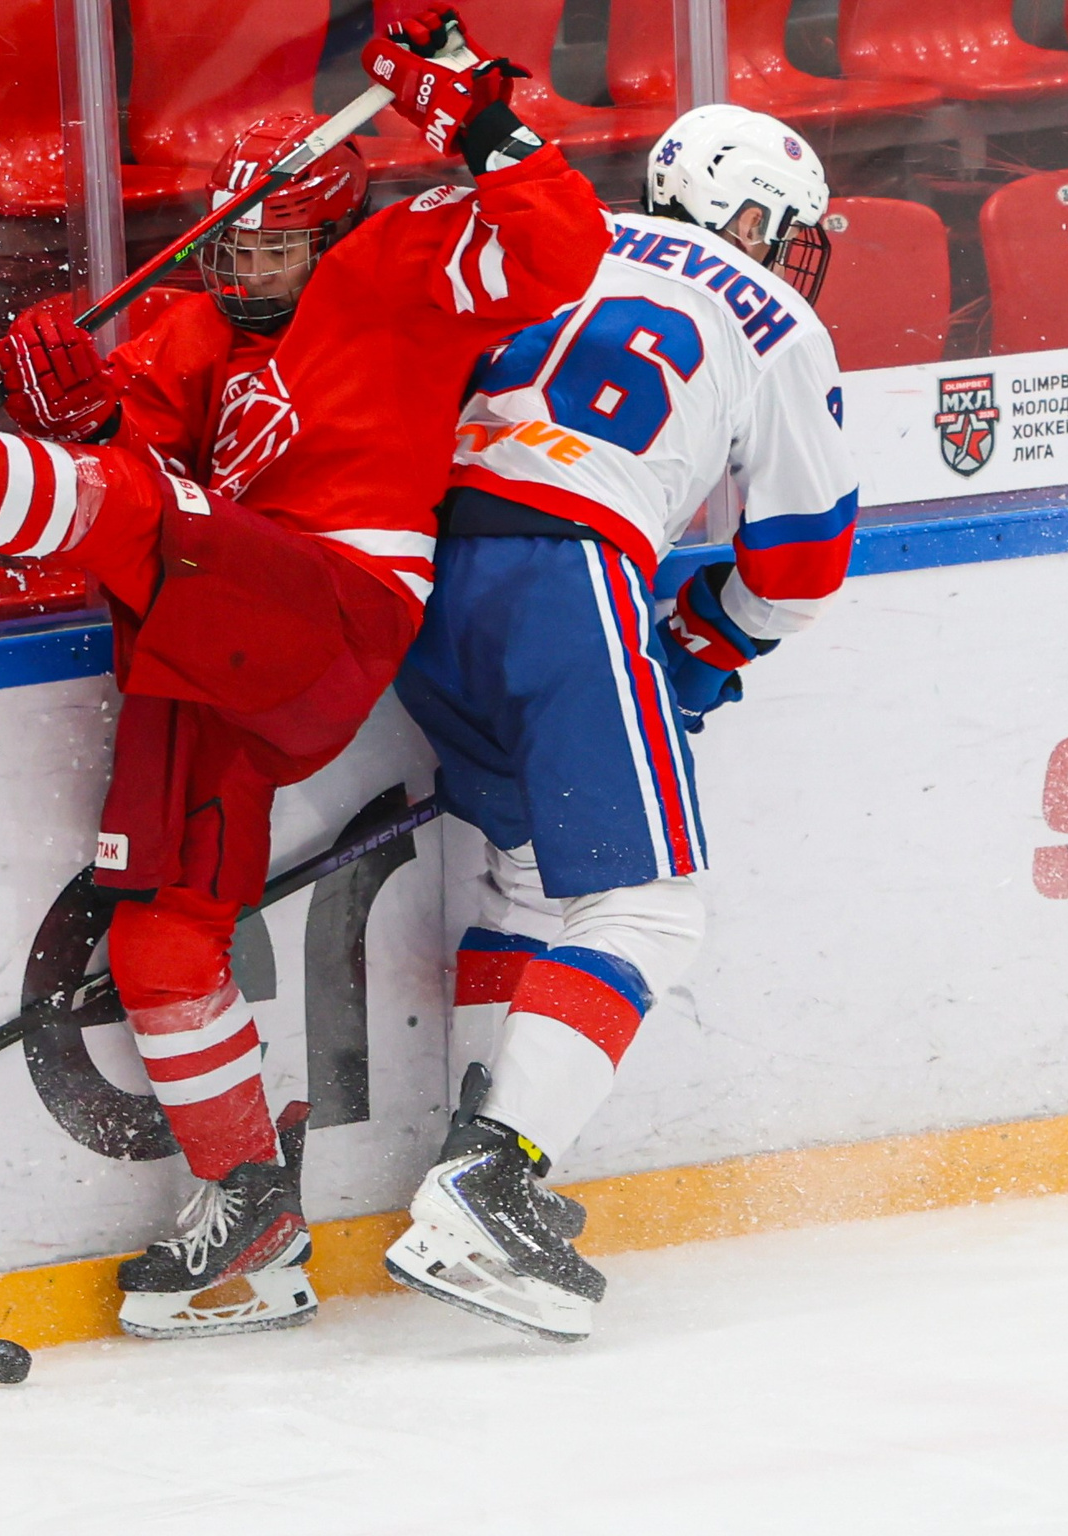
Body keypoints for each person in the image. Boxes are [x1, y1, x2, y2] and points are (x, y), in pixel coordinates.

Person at [0, 10, 608, 1339]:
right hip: (217, 635)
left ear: (331, 231)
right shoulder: (193, 329)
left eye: (277, 245)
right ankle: (249, 1221)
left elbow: (562, 243)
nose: (250, 266)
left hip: (333, 608)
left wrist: (472, 107)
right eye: (235, 244)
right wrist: (83, 418)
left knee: (158, 517)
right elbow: (126, 476)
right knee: (159, 936)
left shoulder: (401, 268)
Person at [384, 103, 860, 1342]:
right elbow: (801, 566)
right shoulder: (774, 314)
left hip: (423, 575)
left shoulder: (555, 233)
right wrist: (703, 643)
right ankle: (490, 1184)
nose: (789, 254)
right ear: (744, 214)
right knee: (651, 906)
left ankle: (466, 1154)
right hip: (568, 575)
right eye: (785, 228)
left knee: (527, 879)